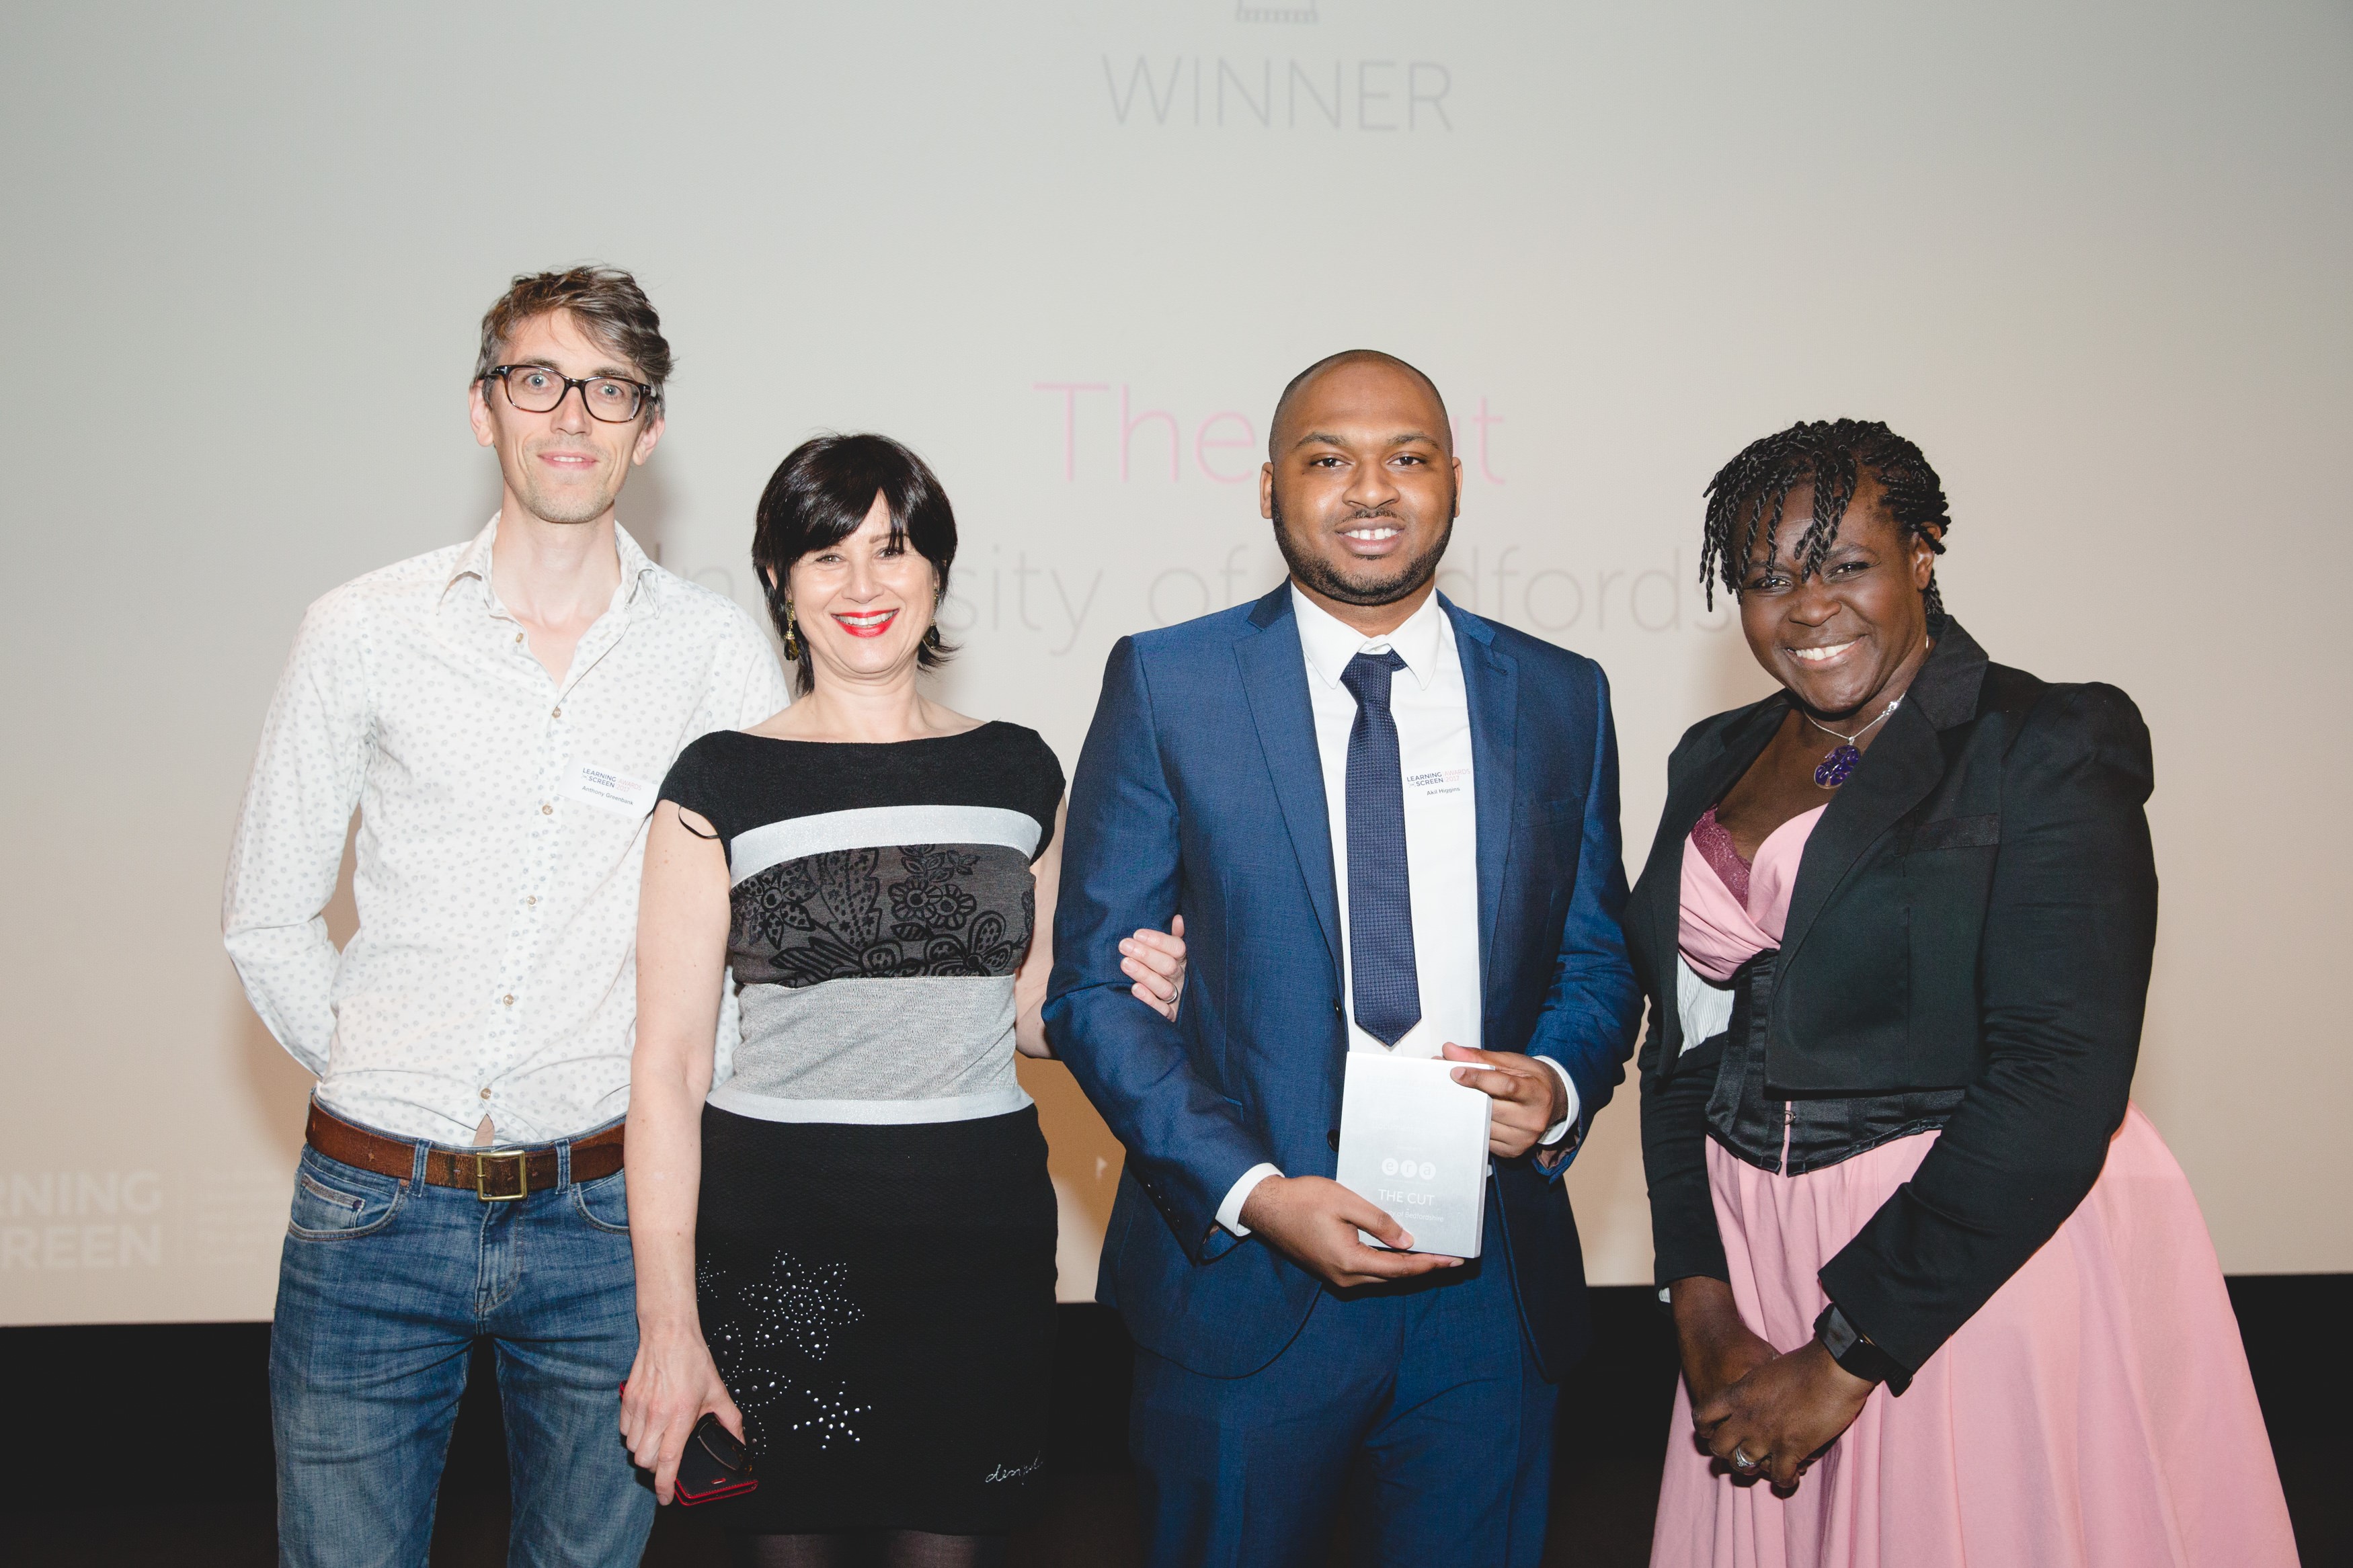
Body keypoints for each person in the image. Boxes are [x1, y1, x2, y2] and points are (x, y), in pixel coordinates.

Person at [1636, 420, 2297, 1566]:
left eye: (1842, 564)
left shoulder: (2043, 740)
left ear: (1924, 553)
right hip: (1756, 1272)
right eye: (1765, 578)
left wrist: (1847, 1352)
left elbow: (2057, 1080)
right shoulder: (1713, 753)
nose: (1805, 607)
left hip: (1963, 1268)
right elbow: (1683, 1050)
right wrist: (1701, 1301)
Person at [223, 267, 790, 1566]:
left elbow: (761, 949)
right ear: (485, 409)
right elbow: (266, 913)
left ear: (650, 430)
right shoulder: (361, 630)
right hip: (373, 1210)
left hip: (605, 1219)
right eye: (538, 380)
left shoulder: (713, 656)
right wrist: (379, 1069)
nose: (571, 416)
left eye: (610, 390)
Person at [1044, 351, 1643, 1567]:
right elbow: (1096, 993)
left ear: (1456, 483)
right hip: (1246, 1288)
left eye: (1407, 457)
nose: (1371, 488)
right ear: (1269, 488)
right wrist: (1258, 1192)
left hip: (1492, 1297)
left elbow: (1597, 958)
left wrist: (1562, 1084)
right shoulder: (1170, 681)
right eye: (1329, 459)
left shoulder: (1563, 695)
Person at [619, 432, 1190, 1568]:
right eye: (826, 556)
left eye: (893, 549)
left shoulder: (1019, 771)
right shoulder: (717, 779)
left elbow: (1028, 1016)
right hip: (776, 1240)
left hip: (974, 1240)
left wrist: (1124, 990)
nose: (864, 584)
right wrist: (667, 1320)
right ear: (781, 580)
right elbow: (669, 1067)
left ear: (938, 569)